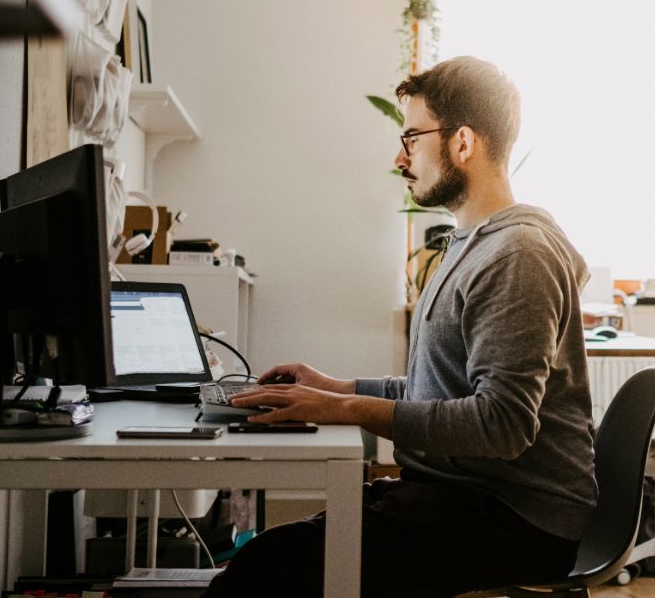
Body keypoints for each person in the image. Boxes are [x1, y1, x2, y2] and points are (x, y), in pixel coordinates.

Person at [204, 56, 597, 598]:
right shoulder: (470, 245)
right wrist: (334, 387)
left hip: (514, 521)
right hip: (466, 496)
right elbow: (440, 391)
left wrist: (343, 410)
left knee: (264, 571)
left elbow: (502, 425)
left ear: (463, 143)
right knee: (269, 559)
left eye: (411, 137)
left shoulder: (517, 256)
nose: (399, 157)